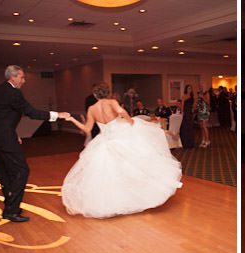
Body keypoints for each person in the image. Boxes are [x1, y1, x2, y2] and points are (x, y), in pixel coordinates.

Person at [61, 82, 182, 219]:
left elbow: (87, 129)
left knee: (108, 173)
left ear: (95, 95)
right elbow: (120, 111)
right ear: (107, 93)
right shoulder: (112, 102)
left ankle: (112, 203)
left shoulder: (92, 108)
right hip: (120, 138)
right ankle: (135, 198)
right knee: (134, 166)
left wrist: (71, 119)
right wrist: (130, 120)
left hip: (104, 142)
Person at [0, 65, 71, 222]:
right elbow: (32, 112)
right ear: (13, 77)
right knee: (21, 171)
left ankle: (10, 205)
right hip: (5, 139)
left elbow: (0, 117)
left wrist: (13, 132)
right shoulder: (13, 93)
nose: (24, 81)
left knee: (5, 173)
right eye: (22, 77)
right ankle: (11, 210)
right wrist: (58, 115)